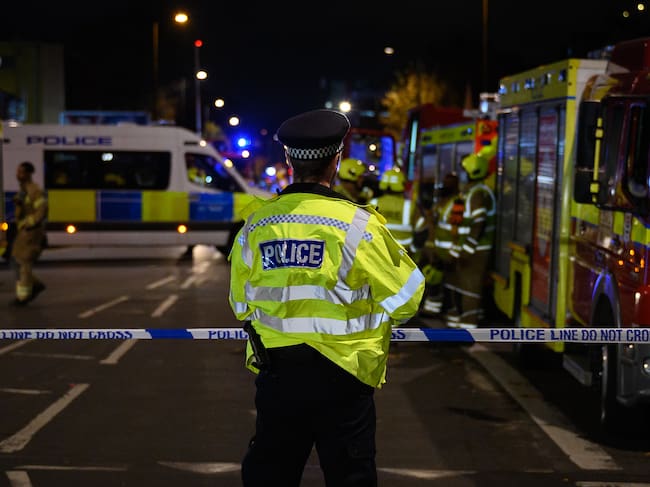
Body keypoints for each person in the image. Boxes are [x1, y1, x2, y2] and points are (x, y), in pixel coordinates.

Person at [228, 108, 425, 487]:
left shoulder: (256, 225)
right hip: (345, 377)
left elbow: (240, 305)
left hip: (278, 375)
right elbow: (407, 300)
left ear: (288, 160)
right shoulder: (359, 226)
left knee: (270, 476)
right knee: (350, 477)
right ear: (336, 160)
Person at [443, 143, 497, 329]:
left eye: (465, 171)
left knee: (470, 289)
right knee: (461, 286)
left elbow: (478, 223)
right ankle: (460, 326)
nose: (463, 174)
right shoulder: (473, 191)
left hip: (476, 250)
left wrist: (466, 250)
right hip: (470, 248)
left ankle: (468, 328)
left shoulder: (478, 194)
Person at [419, 173, 464, 316]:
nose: (445, 185)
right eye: (445, 182)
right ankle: (433, 308)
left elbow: (457, 229)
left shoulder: (457, 202)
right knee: (434, 278)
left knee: (450, 282)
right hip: (438, 249)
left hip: (449, 251)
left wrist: (454, 251)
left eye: (449, 183)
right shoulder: (440, 202)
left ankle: (445, 310)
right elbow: (433, 223)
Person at [10, 161, 48, 306]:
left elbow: (41, 210)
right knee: (16, 261)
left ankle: (23, 297)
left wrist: (29, 223)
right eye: (18, 171)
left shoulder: (34, 190)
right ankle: (35, 285)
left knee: (24, 263)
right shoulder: (23, 190)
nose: (17, 174)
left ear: (28, 174)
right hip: (23, 233)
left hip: (31, 233)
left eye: (21, 172)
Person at [369, 168, 413, 249]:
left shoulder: (372, 203)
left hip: (378, 250)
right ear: (402, 185)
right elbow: (421, 228)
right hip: (403, 252)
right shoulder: (409, 206)